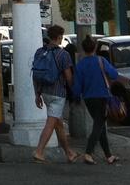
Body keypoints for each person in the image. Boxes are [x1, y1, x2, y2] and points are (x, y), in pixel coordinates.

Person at [71, 36, 124, 165]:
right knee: (99, 125)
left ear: (83, 49)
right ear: (94, 48)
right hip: (102, 96)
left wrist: (76, 97)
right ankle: (88, 153)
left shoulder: (80, 65)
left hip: (89, 98)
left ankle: (108, 155)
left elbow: (77, 85)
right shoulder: (101, 61)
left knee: (100, 126)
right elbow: (114, 74)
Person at [32, 23, 80, 163]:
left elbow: (35, 75)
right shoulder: (63, 54)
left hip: (45, 93)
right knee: (51, 123)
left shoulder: (39, 52)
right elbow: (69, 76)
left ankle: (69, 153)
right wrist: (74, 91)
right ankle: (39, 151)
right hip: (58, 94)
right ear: (59, 37)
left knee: (58, 124)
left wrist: (37, 94)